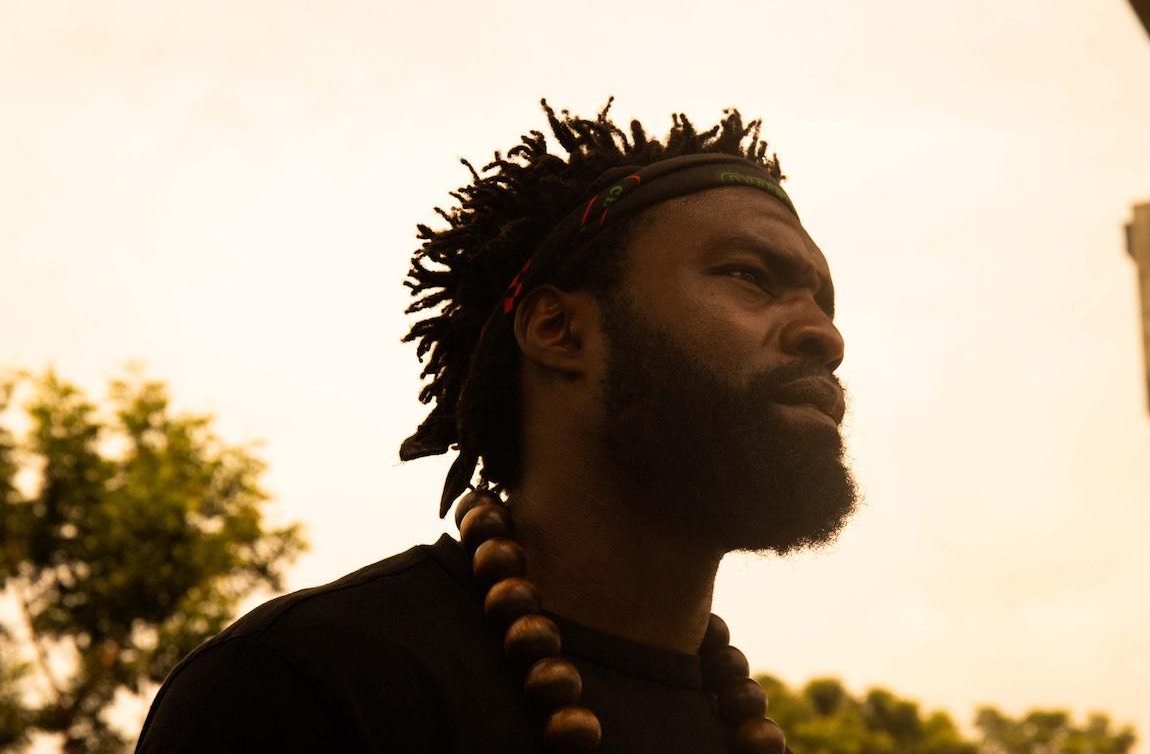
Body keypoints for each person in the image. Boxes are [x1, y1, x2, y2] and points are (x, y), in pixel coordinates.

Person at [136, 99, 860, 753]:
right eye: (750, 276)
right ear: (559, 329)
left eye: (823, 301)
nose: (825, 337)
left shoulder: (734, 724)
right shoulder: (304, 686)